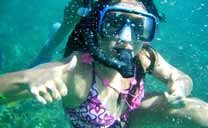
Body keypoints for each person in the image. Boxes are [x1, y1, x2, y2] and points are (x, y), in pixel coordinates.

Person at [0, 0, 208, 127]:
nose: (126, 38)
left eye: (138, 27)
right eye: (114, 22)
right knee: (62, 30)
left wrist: (181, 85)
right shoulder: (77, 72)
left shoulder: (145, 56)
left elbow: (180, 77)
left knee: (196, 110)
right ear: (97, 27)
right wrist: (30, 81)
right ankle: (55, 38)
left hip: (131, 114)